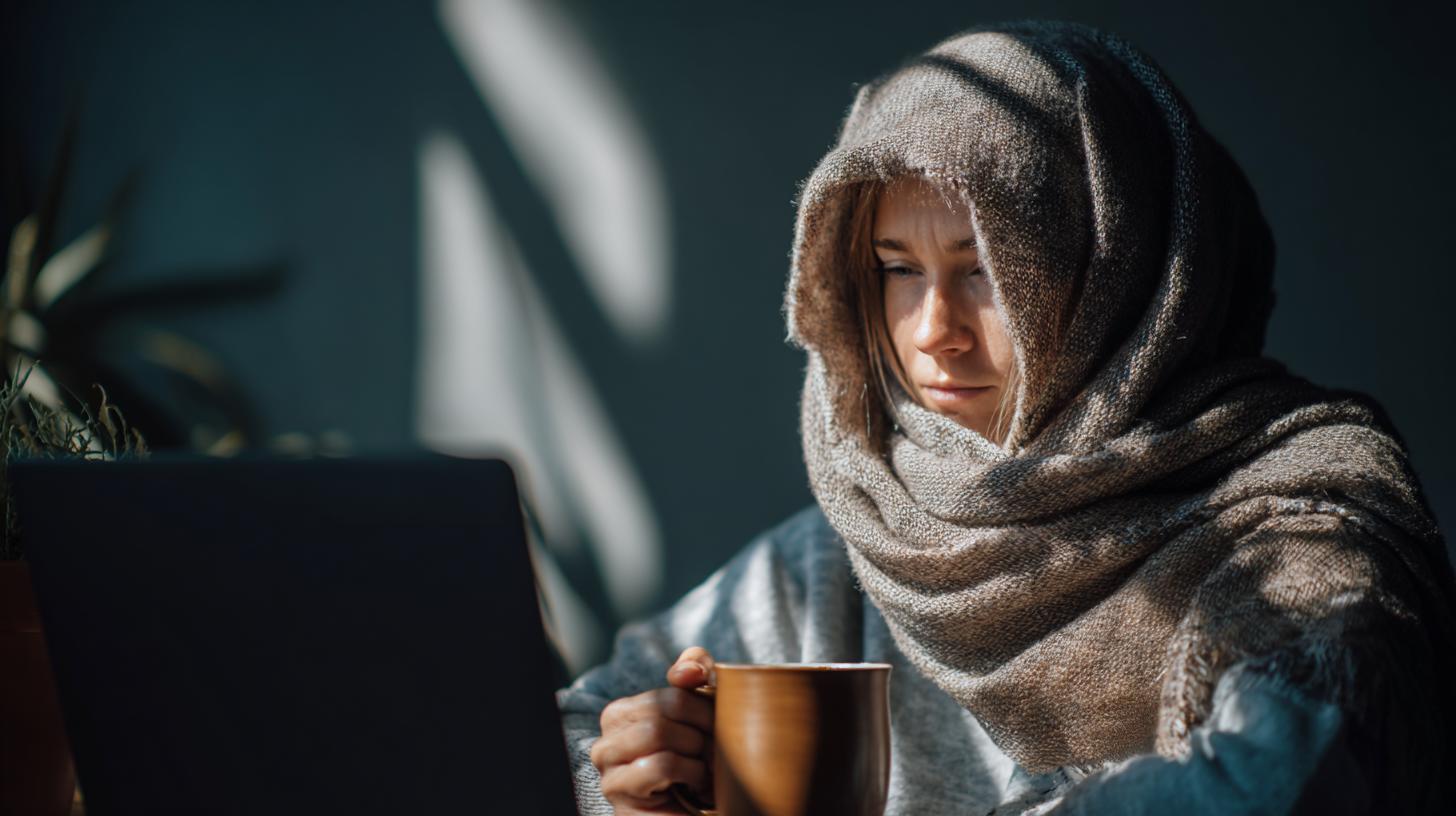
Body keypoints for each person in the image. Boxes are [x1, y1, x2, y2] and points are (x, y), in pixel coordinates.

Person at [557, 20, 1456, 815]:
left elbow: (1279, 788)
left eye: (986, 265)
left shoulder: (1295, 525)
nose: (932, 332)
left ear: (1128, 271)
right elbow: (570, 738)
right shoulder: (857, 545)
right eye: (896, 268)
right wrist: (630, 781)